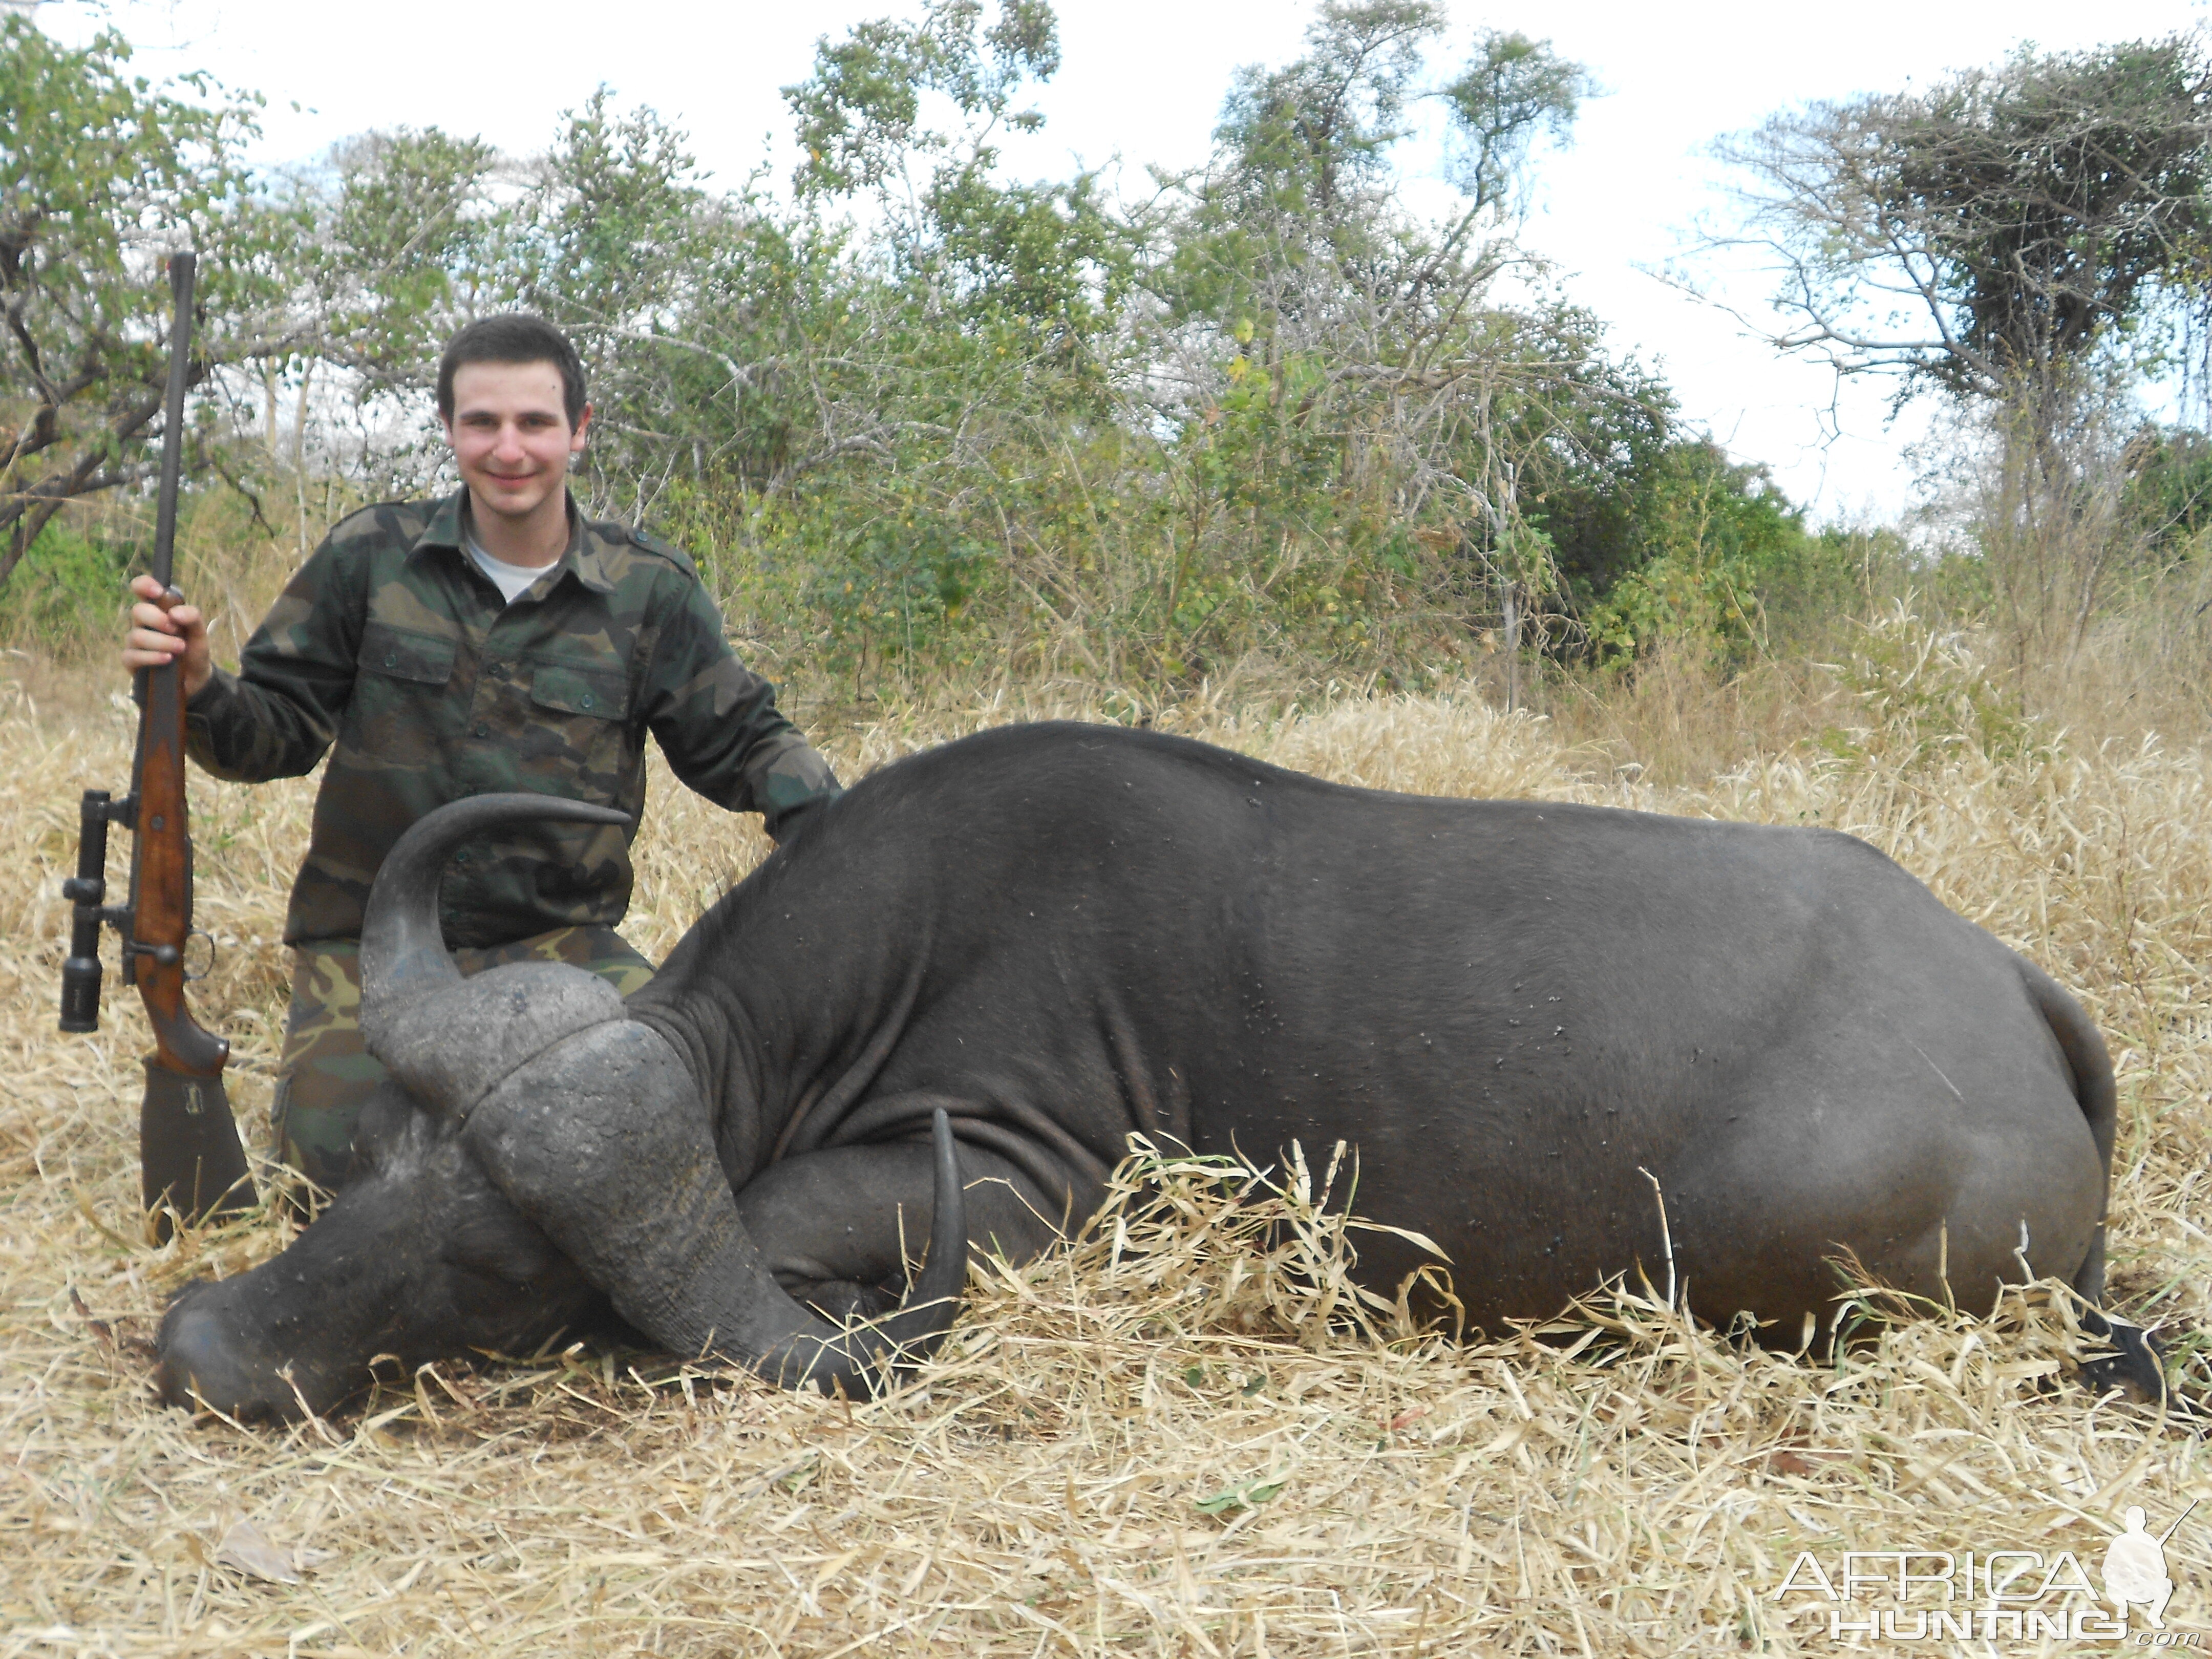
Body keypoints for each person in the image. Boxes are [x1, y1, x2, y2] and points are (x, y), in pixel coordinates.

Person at [121, 313, 841, 1193]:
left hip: (559, 943)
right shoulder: (368, 557)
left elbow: (744, 741)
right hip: (368, 943)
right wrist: (197, 685)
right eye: (482, 423)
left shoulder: (650, 590)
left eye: (535, 423)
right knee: (341, 1184)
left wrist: (852, 835)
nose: (509, 449)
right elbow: (271, 737)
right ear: (449, 428)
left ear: (579, 430)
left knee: (674, 1141)